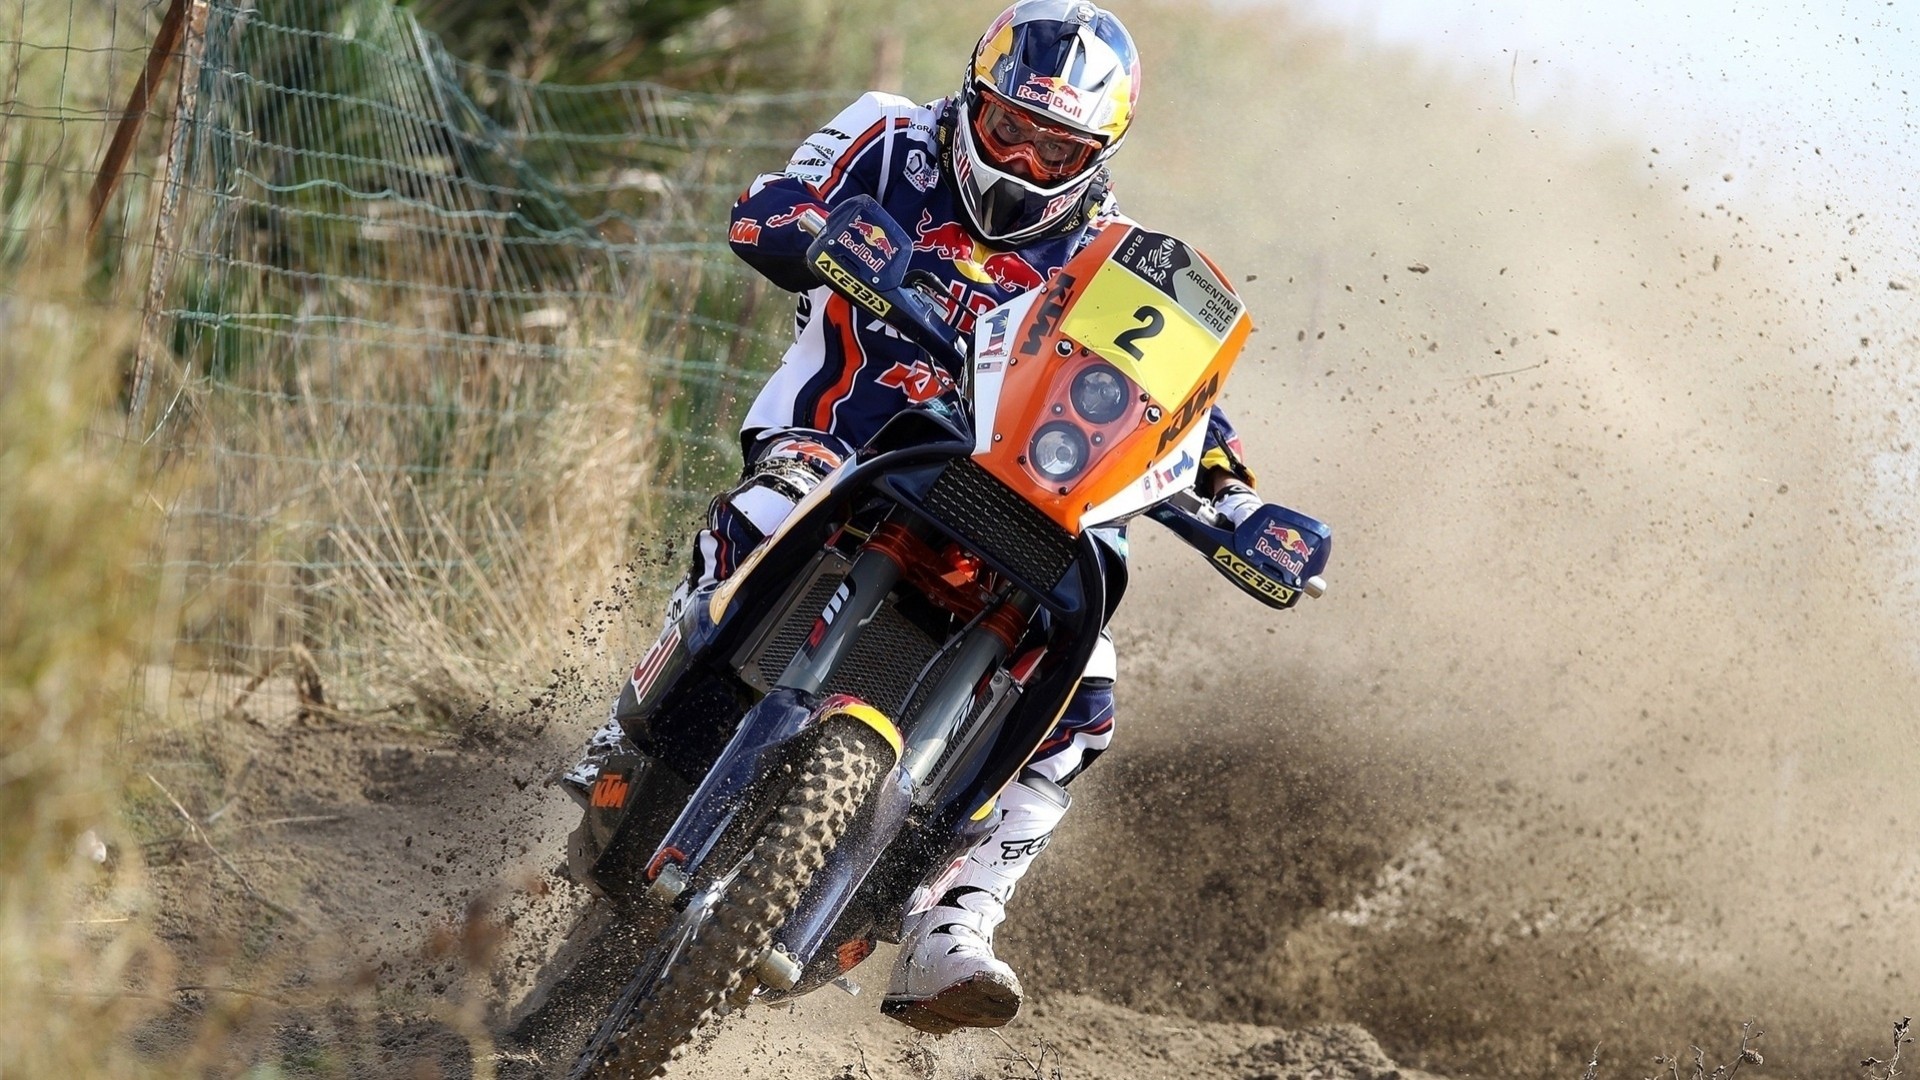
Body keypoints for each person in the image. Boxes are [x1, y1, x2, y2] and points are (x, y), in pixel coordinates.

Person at [560, 0, 1269, 1034]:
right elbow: (766, 207)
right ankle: (627, 725)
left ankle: (955, 919)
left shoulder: (1116, 262)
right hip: (842, 440)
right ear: (974, 98)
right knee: (770, 506)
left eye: (1056, 148)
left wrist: (1239, 497)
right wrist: (817, 232)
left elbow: (1176, 403)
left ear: (1097, 154)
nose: (1022, 161)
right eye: (1009, 128)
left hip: (1011, 501)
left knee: (1088, 693)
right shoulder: (887, 134)